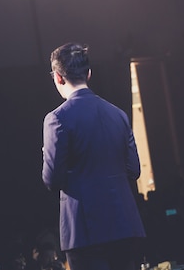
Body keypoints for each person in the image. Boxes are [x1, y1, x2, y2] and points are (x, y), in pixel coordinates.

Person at [41, 43, 146, 270]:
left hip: (85, 230)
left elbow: (52, 179)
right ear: (89, 73)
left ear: (58, 77)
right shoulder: (118, 115)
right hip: (126, 225)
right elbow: (134, 171)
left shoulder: (57, 119)